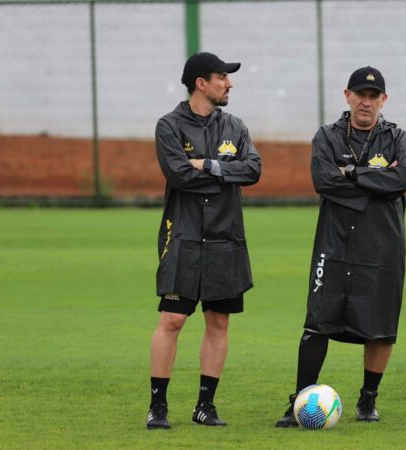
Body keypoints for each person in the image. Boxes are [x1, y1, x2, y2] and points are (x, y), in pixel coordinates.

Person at [275, 66, 406, 427]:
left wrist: (351, 173)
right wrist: (375, 182)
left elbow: (401, 179)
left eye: (373, 96)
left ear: (383, 100)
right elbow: (323, 181)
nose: (366, 102)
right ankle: (301, 400)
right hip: (334, 243)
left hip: (382, 244)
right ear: (347, 95)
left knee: (380, 325)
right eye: (360, 94)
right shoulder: (327, 136)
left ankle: (368, 399)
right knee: (318, 321)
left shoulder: (399, 138)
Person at [146, 52, 261, 429]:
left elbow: (254, 169)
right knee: (173, 319)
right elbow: (179, 175)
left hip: (226, 239)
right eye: (222, 77)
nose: (229, 84)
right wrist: (226, 172)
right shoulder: (169, 126)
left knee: (219, 321)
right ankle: (158, 406)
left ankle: (205, 406)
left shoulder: (235, 126)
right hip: (184, 238)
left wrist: (208, 164)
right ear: (201, 83)